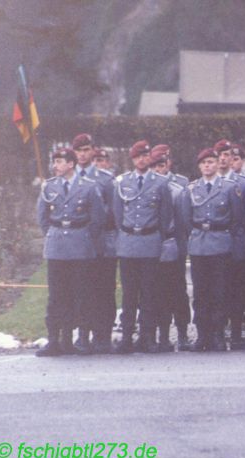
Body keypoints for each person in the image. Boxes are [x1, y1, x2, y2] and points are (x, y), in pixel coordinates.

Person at [36, 148, 105, 356]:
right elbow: (42, 217)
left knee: (81, 294)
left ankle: (82, 338)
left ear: (71, 164)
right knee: (57, 295)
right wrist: (54, 234)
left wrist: (81, 236)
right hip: (57, 246)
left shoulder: (89, 187)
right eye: (54, 161)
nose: (55, 165)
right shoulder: (49, 186)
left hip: (79, 245)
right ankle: (56, 339)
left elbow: (97, 218)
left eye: (60, 161)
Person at [112, 140, 173, 354]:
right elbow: (118, 214)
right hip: (128, 243)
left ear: (150, 158)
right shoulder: (123, 183)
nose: (142, 160)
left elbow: (165, 216)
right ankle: (127, 337)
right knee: (129, 294)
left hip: (150, 242)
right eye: (138, 156)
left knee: (149, 293)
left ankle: (147, 337)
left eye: (145, 156)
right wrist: (129, 232)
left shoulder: (160, 183)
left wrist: (156, 235)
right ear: (132, 159)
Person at [181, 148, 243, 352]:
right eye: (204, 162)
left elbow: (236, 218)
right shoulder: (191, 189)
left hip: (220, 243)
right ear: (199, 166)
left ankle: (217, 334)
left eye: (211, 162)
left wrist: (222, 234)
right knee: (200, 293)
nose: (207, 165)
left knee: (219, 292)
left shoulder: (229, 187)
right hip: (199, 244)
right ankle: (202, 334)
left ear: (218, 164)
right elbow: (186, 218)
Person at [72, 133, 117, 354]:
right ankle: (83, 334)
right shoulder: (68, 178)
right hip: (79, 245)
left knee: (104, 291)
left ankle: (103, 336)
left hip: (102, 244)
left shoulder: (105, 179)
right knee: (81, 290)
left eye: (86, 150)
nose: (82, 154)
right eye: (79, 150)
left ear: (93, 151)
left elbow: (113, 211)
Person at [150, 145, 188, 352]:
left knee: (178, 291)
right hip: (152, 244)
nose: (158, 169)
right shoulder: (149, 184)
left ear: (169, 163)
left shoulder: (180, 183)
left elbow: (184, 219)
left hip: (174, 243)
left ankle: (182, 333)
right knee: (157, 292)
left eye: (162, 164)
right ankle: (162, 334)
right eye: (154, 165)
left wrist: (182, 245)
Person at [216, 139, 245, 350]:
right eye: (219, 153)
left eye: (227, 154)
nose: (223, 158)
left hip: (237, 244)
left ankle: (238, 332)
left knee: (238, 289)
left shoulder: (243, 184)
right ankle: (218, 332)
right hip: (216, 243)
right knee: (219, 290)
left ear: (233, 158)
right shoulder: (207, 181)